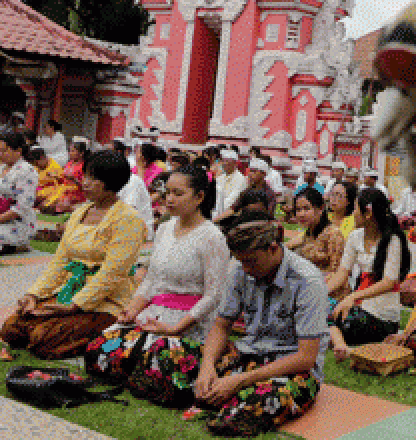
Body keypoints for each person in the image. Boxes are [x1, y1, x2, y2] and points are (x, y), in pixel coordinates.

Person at [84, 165, 229, 406]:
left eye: (178, 193)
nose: (169, 199)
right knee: (100, 349)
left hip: (189, 324)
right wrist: (132, 310)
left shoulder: (212, 237)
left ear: (200, 197)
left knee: (158, 362)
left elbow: (214, 295)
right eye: (167, 192)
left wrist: (175, 328)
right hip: (154, 316)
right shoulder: (164, 229)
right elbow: (152, 281)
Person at [2, 150, 144, 358]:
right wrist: (33, 294)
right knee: (11, 328)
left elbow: (113, 272)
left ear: (111, 183)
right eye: (86, 175)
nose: (85, 183)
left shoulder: (128, 219)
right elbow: (59, 262)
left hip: (106, 301)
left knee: (43, 339)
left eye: (94, 178)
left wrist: (75, 306)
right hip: (69, 293)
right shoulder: (79, 213)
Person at [193, 215, 327, 435]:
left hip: (292, 370)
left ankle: (230, 399)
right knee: (185, 365)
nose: (245, 269)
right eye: (241, 261)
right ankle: (225, 395)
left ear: (273, 248)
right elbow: (221, 325)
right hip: (248, 356)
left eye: (251, 261)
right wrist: (207, 366)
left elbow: (306, 358)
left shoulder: (307, 281)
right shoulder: (238, 269)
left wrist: (241, 380)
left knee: (263, 400)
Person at [325, 188, 410, 359]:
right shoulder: (355, 236)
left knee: (337, 320)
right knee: (320, 308)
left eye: (356, 209)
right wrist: (319, 292)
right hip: (359, 307)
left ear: (368, 213)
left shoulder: (393, 240)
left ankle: (338, 343)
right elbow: (342, 274)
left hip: (382, 317)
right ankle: (342, 346)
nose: (353, 213)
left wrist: (353, 297)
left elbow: (389, 282)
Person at [285, 188, 345, 283]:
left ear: (320, 209)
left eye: (306, 208)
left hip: (328, 289)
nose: (301, 214)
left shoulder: (333, 234)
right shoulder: (309, 233)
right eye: (298, 209)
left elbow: (336, 272)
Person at [0, 131, 38, 253]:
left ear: (18, 151)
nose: (0, 154)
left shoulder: (27, 170)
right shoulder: (1, 168)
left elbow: (22, 207)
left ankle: (17, 244)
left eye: (4, 151)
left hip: (17, 223)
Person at [29, 146, 67, 213]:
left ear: (43, 158)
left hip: (54, 191)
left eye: (37, 162)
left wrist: (55, 177)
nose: (36, 165)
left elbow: (62, 182)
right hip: (38, 191)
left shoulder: (54, 166)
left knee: (44, 204)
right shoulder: (35, 167)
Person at [213, 149, 247, 220]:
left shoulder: (241, 180)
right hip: (216, 213)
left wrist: (218, 216)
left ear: (235, 163)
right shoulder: (220, 178)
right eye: (223, 161)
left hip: (230, 215)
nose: (224, 163)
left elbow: (232, 200)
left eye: (227, 161)